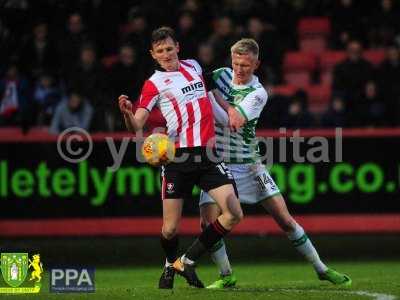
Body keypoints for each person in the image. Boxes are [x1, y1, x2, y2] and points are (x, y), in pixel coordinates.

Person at [199, 38, 352, 289]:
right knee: (207, 222)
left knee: (284, 219)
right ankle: (226, 275)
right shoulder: (221, 75)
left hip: (249, 166)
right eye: (236, 63)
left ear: (256, 64)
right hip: (219, 164)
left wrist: (208, 96)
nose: (239, 69)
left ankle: (321, 269)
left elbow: (231, 123)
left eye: (246, 65)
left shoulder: (257, 93)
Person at [117, 26, 243, 289]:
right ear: (153, 54)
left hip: (208, 155)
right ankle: (169, 264)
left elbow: (212, 93)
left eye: (169, 48)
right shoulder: (153, 83)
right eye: (160, 51)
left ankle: (185, 261)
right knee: (170, 229)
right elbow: (136, 125)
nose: (166, 54)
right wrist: (128, 113)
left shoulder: (194, 66)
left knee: (233, 213)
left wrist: (230, 110)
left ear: (178, 47)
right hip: (177, 160)